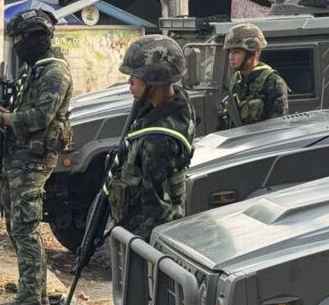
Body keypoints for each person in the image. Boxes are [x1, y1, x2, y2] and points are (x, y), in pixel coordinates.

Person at [0, 9, 72, 305]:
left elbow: (40, 116)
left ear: (37, 38)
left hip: (33, 160)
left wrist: (3, 118)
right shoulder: (32, 70)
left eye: (20, 38)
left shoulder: (54, 72)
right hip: (17, 158)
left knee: (26, 228)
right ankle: (35, 294)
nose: (17, 43)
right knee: (16, 227)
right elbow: (16, 106)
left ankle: (31, 299)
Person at [107, 34, 196, 240]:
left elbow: (156, 212)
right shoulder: (175, 105)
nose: (129, 81)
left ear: (153, 80)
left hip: (141, 239)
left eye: (134, 76)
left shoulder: (158, 140)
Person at [216, 23, 289, 130]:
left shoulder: (272, 82)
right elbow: (223, 123)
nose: (231, 57)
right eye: (230, 52)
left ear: (253, 53)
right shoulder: (236, 81)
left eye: (236, 52)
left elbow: (278, 128)